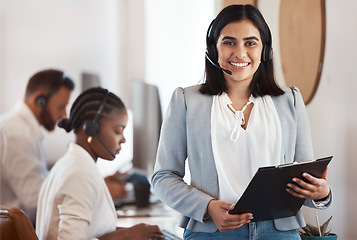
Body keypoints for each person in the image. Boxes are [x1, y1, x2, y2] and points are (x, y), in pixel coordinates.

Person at [151, 4, 332, 240]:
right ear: (213, 49)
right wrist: (207, 207)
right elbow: (163, 177)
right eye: (229, 42)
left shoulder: (290, 101)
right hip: (212, 232)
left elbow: (304, 176)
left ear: (264, 51)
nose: (240, 52)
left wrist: (321, 193)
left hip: (278, 233)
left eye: (250, 43)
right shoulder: (186, 101)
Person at [36, 87, 165, 240]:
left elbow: (91, 230)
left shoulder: (69, 164)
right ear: (90, 128)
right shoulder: (79, 173)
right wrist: (127, 234)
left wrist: (134, 233)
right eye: (118, 131)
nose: (123, 139)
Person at [0, 69, 75, 224]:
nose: (64, 115)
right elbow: (35, 197)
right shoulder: (18, 134)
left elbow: (42, 182)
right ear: (40, 99)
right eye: (61, 106)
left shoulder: (22, 129)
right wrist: (88, 191)